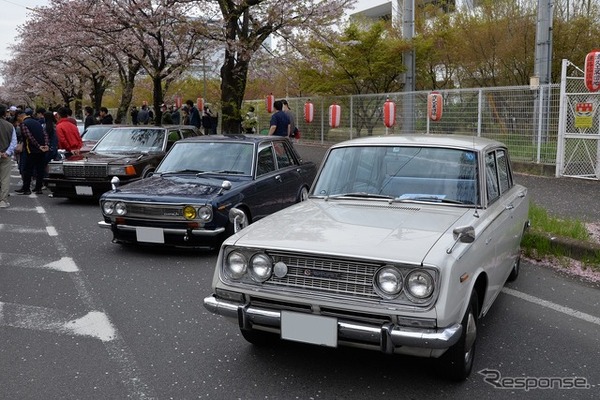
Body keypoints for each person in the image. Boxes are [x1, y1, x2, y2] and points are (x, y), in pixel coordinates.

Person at [15, 109, 49, 195]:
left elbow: (29, 137)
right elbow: (44, 134)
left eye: (18, 117)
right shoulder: (37, 122)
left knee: (27, 169)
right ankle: (38, 188)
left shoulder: (24, 124)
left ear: (20, 116)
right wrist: (45, 145)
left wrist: (38, 146)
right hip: (42, 149)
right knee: (40, 169)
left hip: (32, 150)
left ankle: (26, 188)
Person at [0, 104, 18, 208]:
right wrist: (7, 152)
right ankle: (3, 200)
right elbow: (13, 142)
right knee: (5, 178)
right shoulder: (9, 125)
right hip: (5, 155)